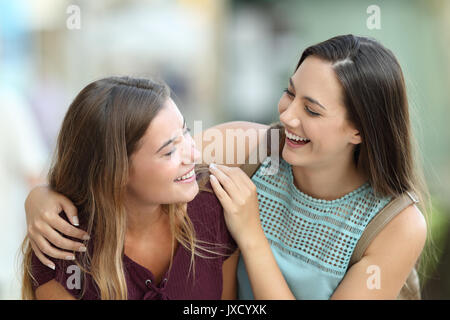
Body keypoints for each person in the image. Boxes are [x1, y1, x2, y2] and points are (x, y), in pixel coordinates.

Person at [24, 35, 428, 299]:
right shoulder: (251, 146)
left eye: (313, 110)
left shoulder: (395, 224)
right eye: (290, 93)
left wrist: (251, 235)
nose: (287, 117)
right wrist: (40, 198)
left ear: (360, 130)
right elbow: (124, 161)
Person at [21, 76, 239, 300]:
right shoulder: (62, 247)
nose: (194, 155)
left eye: (186, 132)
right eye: (169, 152)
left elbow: (271, 138)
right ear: (116, 171)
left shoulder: (211, 205)